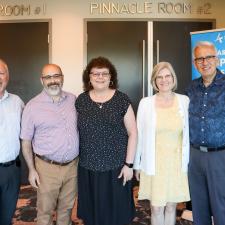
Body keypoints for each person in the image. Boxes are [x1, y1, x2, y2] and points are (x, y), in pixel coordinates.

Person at [76, 56, 137, 225]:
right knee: (92, 215)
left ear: (111, 77)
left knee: (117, 214)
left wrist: (129, 165)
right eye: (96, 73)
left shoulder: (121, 99)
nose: (100, 77)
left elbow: (133, 132)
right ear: (89, 77)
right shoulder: (81, 101)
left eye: (104, 73)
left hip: (117, 168)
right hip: (88, 167)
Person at [20, 64, 79, 225]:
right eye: (48, 77)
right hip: (46, 168)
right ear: (41, 80)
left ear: (62, 78)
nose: (53, 81)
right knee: (45, 211)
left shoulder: (73, 100)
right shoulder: (32, 107)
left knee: (66, 209)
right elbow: (25, 141)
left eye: (56, 76)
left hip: (72, 166)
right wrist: (31, 170)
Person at [134, 62, 190, 225]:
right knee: (156, 208)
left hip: (176, 164)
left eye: (167, 76)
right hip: (154, 164)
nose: (164, 80)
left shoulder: (184, 101)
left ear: (173, 78)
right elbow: (139, 135)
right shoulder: (146, 103)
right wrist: (137, 164)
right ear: (154, 80)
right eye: (159, 76)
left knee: (172, 207)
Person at [186, 41, 225, 225]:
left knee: (221, 207)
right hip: (194, 156)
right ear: (195, 63)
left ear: (217, 60)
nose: (204, 62)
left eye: (209, 57)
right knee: (198, 206)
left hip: (220, 156)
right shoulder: (190, 88)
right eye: (200, 58)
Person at [0, 59, 24, 225]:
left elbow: (31, 130)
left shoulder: (17, 102)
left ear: (7, 76)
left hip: (11, 171)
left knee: (7, 216)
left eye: (1, 73)